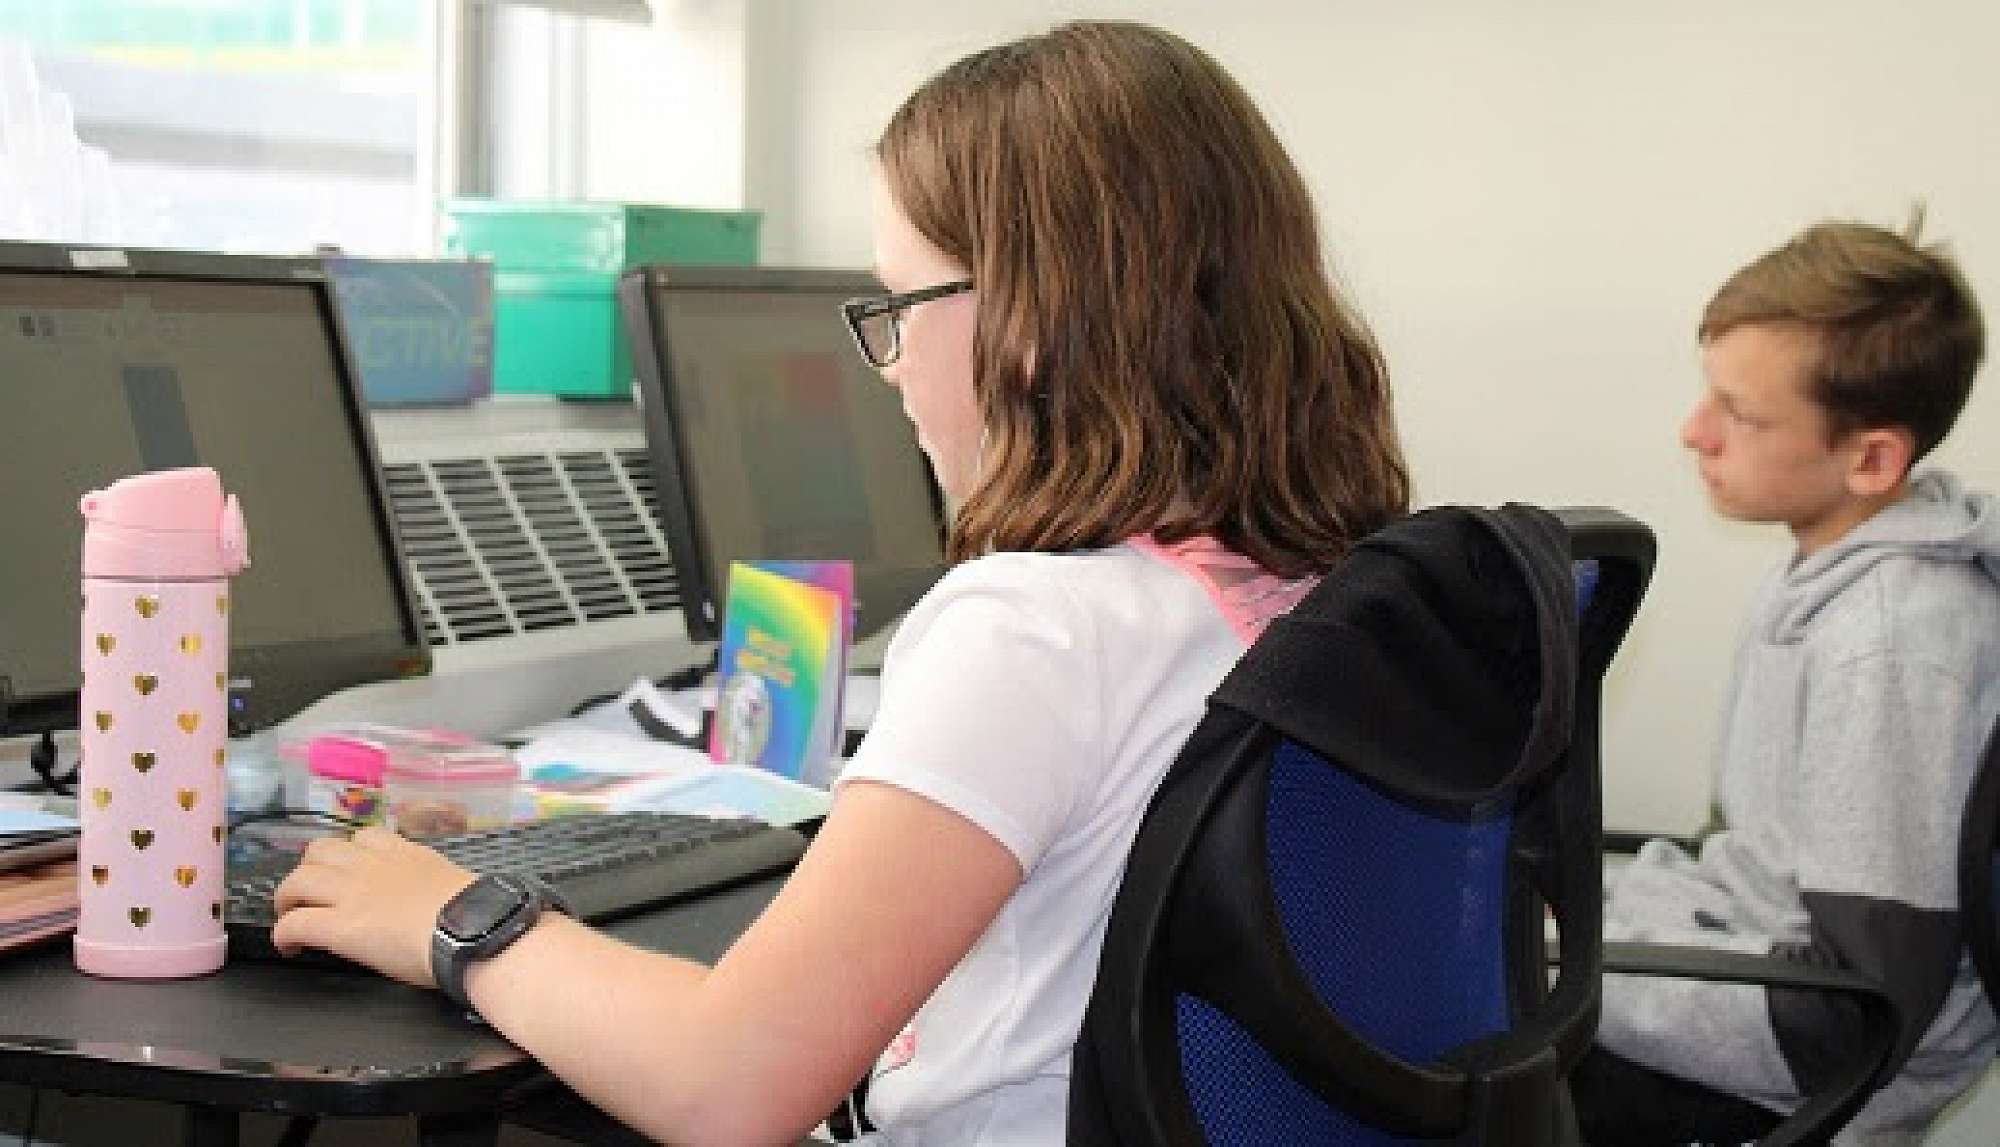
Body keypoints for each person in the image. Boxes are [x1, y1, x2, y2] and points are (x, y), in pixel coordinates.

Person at [271, 21, 1409, 1145]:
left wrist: (454, 916)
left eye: (899, 309)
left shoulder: (1037, 630)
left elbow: (724, 1084)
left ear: (1030, 314)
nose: (892, 367)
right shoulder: (1329, 587)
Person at [1574, 215, 1999, 1145]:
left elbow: (1854, 1013)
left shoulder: (1885, 644)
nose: (1694, 432)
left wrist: (1561, 982)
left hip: (1818, 1070)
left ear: (1873, 458)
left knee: (1463, 1040)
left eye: (1743, 415)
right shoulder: (1827, 565)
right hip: (1758, 957)